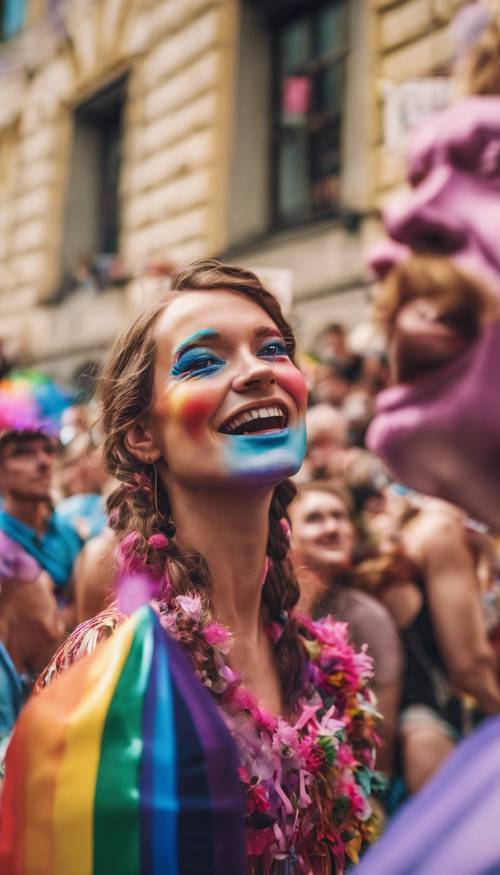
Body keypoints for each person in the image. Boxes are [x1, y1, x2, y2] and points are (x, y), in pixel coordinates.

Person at [0, 260, 380, 874]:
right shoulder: (112, 670)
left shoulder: (327, 669)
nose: (257, 372)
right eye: (204, 361)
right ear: (142, 437)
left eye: (274, 349)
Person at [289, 481, 401, 778]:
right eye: (315, 519)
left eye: (340, 517)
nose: (332, 527)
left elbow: (382, 729)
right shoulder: (266, 605)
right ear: (286, 534)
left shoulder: (367, 615)